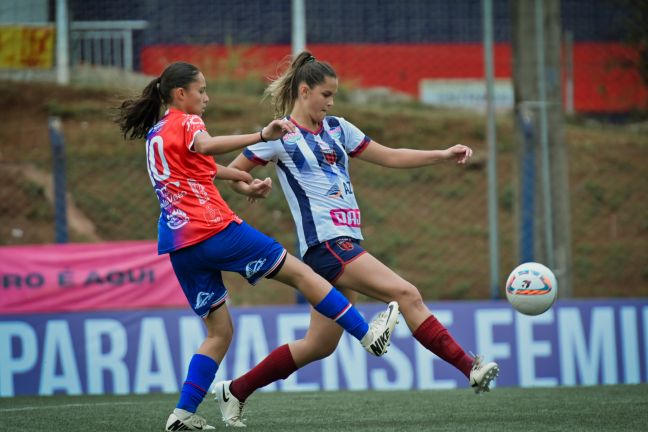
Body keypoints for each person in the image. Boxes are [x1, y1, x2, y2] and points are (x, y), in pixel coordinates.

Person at [216, 51, 500, 427]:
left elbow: (392, 156)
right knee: (406, 294)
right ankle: (470, 367)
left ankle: (235, 390)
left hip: (343, 245)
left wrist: (442, 154)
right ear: (304, 91)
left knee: (319, 344)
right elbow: (232, 172)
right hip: (328, 246)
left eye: (334, 95)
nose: (331, 102)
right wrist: (251, 186)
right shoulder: (279, 135)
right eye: (326, 94)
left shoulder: (339, 128)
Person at [115, 61, 400, 431]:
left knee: (219, 334)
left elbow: (204, 166)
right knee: (301, 273)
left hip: (179, 245)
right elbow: (205, 145)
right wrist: (261, 135)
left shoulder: (157, 134)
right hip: (214, 230)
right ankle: (367, 334)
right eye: (201, 90)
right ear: (180, 94)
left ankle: (182, 414)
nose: (206, 97)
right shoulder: (186, 122)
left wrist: (243, 178)